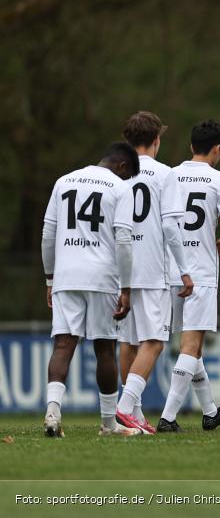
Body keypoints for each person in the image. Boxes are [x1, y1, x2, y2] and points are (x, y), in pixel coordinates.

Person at [41, 142, 142, 437]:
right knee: (105, 348)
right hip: (102, 276)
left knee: (63, 345)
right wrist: (126, 286)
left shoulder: (64, 181)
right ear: (122, 167)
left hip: (66, 274)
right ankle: (109, 424)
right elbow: (124, 240)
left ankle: (52, 412)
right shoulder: (120, 188)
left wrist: (50, 278)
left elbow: (48, 234)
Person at [157, 120, 220, 433]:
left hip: (171, 270)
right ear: (217, 149)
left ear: (192, 146)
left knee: (193, 346)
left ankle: (209, 412)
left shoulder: (169, 175)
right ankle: (167, 418)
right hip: (201, 273)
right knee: (191, 346)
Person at [115, 112, 194, 434]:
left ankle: (131, 418)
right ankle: (124, 408)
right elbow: (170, 228)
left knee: (127, 342)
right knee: (154, 342)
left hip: (120, 269)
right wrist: (185, 271)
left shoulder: (115, 172)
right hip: (152, 269)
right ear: (157, 140)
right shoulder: (165, 174)